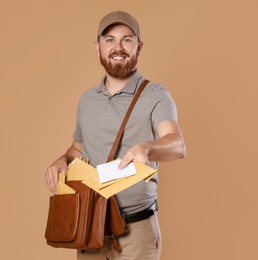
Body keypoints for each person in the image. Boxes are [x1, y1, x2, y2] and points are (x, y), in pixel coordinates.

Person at [45, 11, 186, 260]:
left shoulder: (155, 95)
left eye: (126, 40)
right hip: (89, 226)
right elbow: (78, 148)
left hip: (136, 230)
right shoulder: (87, 100)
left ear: (139, 47)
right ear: (97, 46)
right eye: (109, 40)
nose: (117, 47)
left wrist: (147, 148)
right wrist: (61, 160)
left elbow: (177, 145)